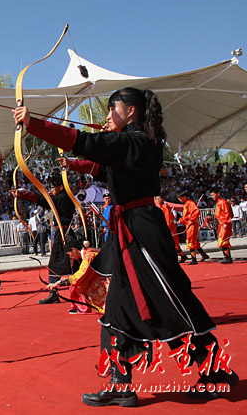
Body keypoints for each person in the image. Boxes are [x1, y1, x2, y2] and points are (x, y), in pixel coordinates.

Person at [14, 87, 238, 406]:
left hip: (141, 234)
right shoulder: (137, 143)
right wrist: (76, 165)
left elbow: (87, 142)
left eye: (112, 109)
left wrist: (33, 124)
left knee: (171, 303)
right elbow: (105, 168)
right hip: (132, 231)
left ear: (130, 110)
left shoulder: (136, 141)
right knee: (119, 308)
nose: (107, 116)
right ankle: (122, 383)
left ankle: (213, 370)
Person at [13, 175, 77, 305]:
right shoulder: (66, 197)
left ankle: (55, 294)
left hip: (63, 233)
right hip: (65, 233)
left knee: (56, 265)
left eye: (53, 187)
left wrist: (22, 195)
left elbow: (41, 200)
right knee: (73, 263)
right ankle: (73, 293)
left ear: (60, 187)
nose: (51, 190)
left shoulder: (61, 198)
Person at [45, 237, 106, 314]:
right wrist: (67, 279)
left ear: (74, 250)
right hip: (103, 277)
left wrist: (58, 283)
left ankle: (84, 306)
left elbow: (79, 276)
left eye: (69, 254)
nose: (70, 257)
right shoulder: (89, 252)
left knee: (76, 286)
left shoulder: (88, 256)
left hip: (106, 280)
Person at [178, 191, 210, 265]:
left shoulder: (190, 203)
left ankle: (193, 259)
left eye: (180, 198)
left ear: (184, 197)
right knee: (194, 241)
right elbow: (185, 216)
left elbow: (196, 212)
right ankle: (203, 255)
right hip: (189, 224)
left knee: (190, 240)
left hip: (192, 224)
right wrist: (181, 220)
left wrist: (191, 220)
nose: (179, 199)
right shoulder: (186, 204)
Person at [154, 196, 187, 263]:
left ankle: (179, 256)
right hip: (166, 227)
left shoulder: (165, 207)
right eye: (157, 199)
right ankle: (182, 255)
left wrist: (167, 228)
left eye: (159, 198)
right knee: (173, 244)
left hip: (170, 228)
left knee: (172, 243)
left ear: (162, 199)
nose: (158, 200)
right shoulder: (160, 207)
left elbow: (167, 219)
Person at [209, 187, 232, 263]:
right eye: (211, 195)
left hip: (224, 223)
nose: (212, 197)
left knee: (223, 240)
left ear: (218, 194)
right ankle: (226, 257)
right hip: (221, 223)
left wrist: (226, 222)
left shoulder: (223, 202)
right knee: (221, 240)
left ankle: (228, 257)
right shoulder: (218, 202)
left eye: (213, 195)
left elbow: (227, 213)